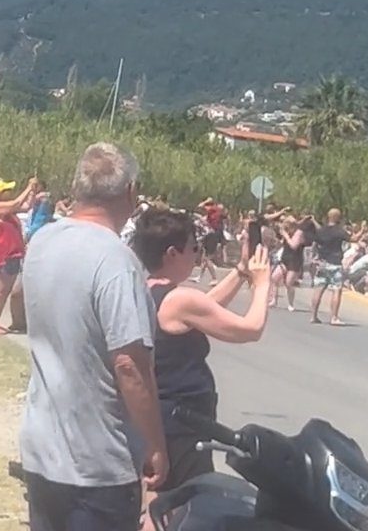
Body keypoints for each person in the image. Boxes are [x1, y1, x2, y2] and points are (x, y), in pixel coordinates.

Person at [20, 143, 167, 531]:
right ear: (131, 192)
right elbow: (129, 365)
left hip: (42, 450)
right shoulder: (116, 262)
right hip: (98, 463)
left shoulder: (41, 243)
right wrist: (155, 444)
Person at [131, 208, 270, 524]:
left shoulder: (151, 289)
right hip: (182, 423)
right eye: (194, 248)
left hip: (160, 416)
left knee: (158, 502)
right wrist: (262, 285)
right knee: (184, 505)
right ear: (172, 253)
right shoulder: (180, 300)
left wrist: (241, 270)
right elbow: (250, 329)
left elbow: (207, 305)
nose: (197, 256)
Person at [0, 177, 36, 334]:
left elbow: (26, 207)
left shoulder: (7, 211)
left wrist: (33, 192)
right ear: (0, 194)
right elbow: (16, 204)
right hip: (5, 254)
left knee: (5, 291)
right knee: (0, 291)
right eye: (7, 190)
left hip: (14, 254)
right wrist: (28, 187)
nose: (10, 192)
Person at [311, 208, 359, 326]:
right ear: (337, 218)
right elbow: (354, 239)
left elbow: (315, 244)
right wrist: (362, 230)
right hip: (335, 262)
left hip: (322, 262)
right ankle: (334, 317)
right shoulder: (339, 231)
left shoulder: (321, 230)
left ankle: (313, 316)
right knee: (337, 290)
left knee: (318, 289)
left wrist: (316, 257)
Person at [270, 216, 305, 311]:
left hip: (295, 260)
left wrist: (286, 236)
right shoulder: (288, 232)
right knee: (274, 277)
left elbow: (294, 245)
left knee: (289, 282)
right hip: (285, 258)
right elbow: (284, 243)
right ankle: (273, 300)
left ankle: (290, 303)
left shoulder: (299, 233)